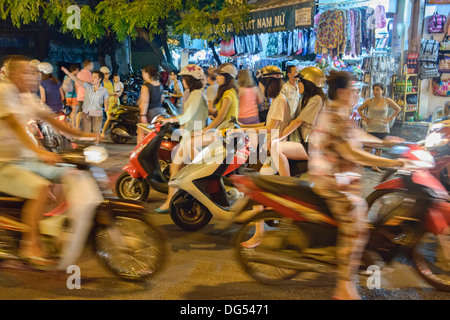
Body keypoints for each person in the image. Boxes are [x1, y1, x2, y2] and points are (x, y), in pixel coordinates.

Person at [309, 70, 405, 300]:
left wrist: (388, 145)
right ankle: (343, 287)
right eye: (352, 89)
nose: (355, 93)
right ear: (342, 92)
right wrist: (391, 161)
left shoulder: (340, 113)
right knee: (357, 222)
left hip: (344, 179)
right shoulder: (333, 116)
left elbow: (358, 136)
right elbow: (353, 153)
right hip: (331, 181)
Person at [0, 56, 96, 268]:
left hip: (25, 160)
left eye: (34, 72)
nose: (33, 77)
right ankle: (30, 244)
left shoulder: (28, 98)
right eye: (27, 72)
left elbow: (52, 120)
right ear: (13, 75)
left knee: (71, 173)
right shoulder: (3, 91)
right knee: (42, 189)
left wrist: (83, 136)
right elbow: (15, 125)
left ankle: (45, 229)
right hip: (5, 164)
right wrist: (39, 152)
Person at [156, 64, 209, 213]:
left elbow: (187, 115)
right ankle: (171, 202)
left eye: (185, 78)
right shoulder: (196, 93)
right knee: (177, 169)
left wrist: (167, 120)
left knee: (189, 172)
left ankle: (181, 202)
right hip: (190, 136)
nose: (183, 81)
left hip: (192, 138)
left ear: (191, 79)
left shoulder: (197, 94)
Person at [270, 66, 327, 176]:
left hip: (312, 145)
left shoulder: (317, 99)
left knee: (276, 147)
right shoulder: (305, 98)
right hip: (303, 142)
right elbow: (292, 119)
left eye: (300, 81)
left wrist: (279, 137)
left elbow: (297, 121)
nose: (298, 84)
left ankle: (286, 184)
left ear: (309, 83)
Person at [357, 82, 401, 172]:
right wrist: (365, 118)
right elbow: (359, 109)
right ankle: (361, 164)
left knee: (379, 148)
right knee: (367, 148)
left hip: (383, 127)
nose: (375, 91)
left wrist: (390, 118)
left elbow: (398, 109)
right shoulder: (369, 101)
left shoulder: (387, 100)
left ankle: (375, 166)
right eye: (374, 89)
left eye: (377, 89)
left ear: (382, 90)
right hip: (371, 127)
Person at [61, 67, 109, 136]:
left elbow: (106, 99)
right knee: (87, 133)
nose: (92, 78)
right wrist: (67, 72)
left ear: (99, 79)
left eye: (95, 77)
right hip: (87, 114)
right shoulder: (88, 86)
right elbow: (76, 80)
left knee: (96, 134)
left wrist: (106, 106)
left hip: (97, 114)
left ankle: (95, 144)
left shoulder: (104, 90)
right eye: (92, 77)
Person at [138, 65, 164, 144]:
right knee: (154, 133)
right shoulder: (160, 85)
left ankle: (139, 153)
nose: (142, 75)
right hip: (158, 112)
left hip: (149, 113)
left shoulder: (146, 86)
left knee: (142, 132)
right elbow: (162, 99)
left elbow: (145, 102)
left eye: (143, 73)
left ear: (147, 73)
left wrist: (143, 116)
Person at [75, 60, 94, 130]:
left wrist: (78, 94)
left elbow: (76, 85)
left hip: (80, 96)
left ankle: (77, 127)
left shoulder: (79, 74)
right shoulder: (89, 74)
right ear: (88, 65)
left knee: (80, 112)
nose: (93, 66)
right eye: (92, 65)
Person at [100, 66, 116, 139]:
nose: (108, 75)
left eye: (108, 73)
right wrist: (113, 93)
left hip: (115, 102)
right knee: (109, 118)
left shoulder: (111, 81)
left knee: (115, 118)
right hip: (108, 103)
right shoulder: (101, 83)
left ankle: (112, 132)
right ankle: (103, 133)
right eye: (106, 73)